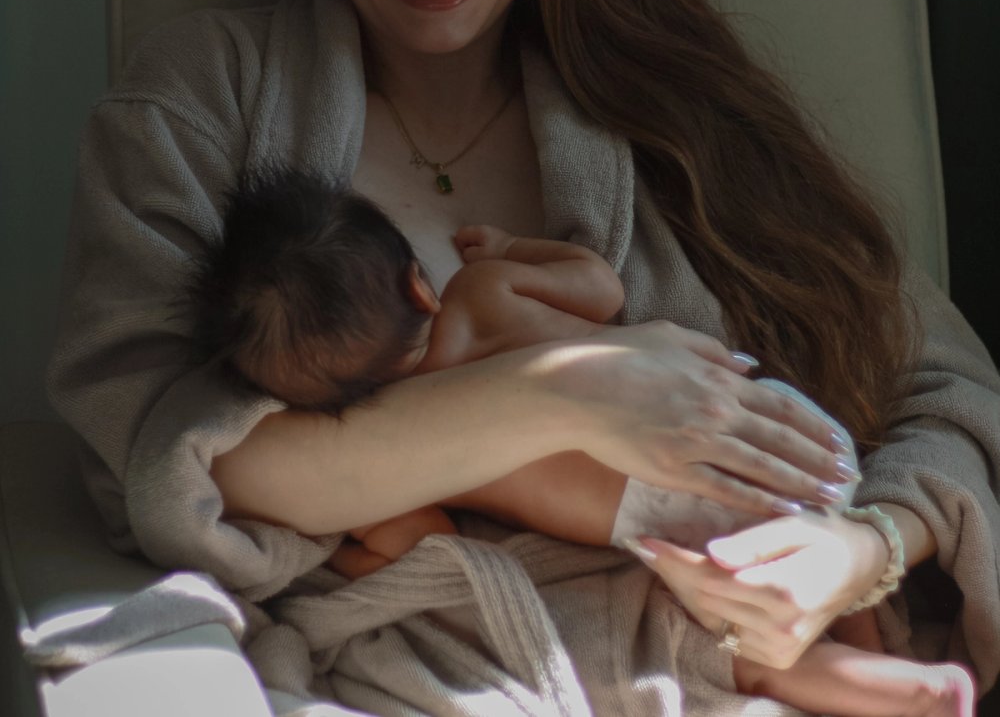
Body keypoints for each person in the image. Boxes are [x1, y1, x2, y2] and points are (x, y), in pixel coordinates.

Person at [47, 0, 1000, 716]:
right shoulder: (198, 100)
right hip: (417, 676)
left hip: (725, 656)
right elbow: (166, 455)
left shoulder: (687, 110)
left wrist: (865, 548)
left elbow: (951, 390)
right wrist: (563, 394)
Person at [184, 164, 976, 716]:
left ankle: (900, 689)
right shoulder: (480, 292)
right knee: (824, 565)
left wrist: (353, 560)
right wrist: (509, 252)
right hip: (767, 417)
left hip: (682, 519)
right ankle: (890, 649)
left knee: (755, 650)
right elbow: (601, 286)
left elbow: (425, 545)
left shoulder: (400, 458)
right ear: (417, 285)